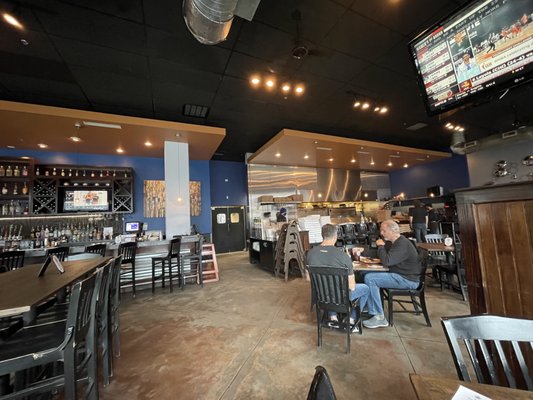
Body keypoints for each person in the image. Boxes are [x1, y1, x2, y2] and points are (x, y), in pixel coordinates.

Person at [306, 224, 369, 333]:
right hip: (341, 298)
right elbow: (352, 287)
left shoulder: (310, 254)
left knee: (328, 288)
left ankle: (332, 317)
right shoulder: (343, 257)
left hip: (321, 297)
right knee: (365, 288)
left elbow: (308, 279)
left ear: (322, 235)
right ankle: (352, 319)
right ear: (335, 236)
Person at [363, 220, 421, 329]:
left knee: (370, 278)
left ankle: (379, 317)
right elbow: (379, 254)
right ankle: (370, 304)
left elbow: (387, 261)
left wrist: (380, 246)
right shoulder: (393, 242)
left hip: (408, 280)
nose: (381, 233)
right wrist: (362, 251)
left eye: (384, 230)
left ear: (392, 231)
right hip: (400, 275)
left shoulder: (402, 243)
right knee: (364, 272)